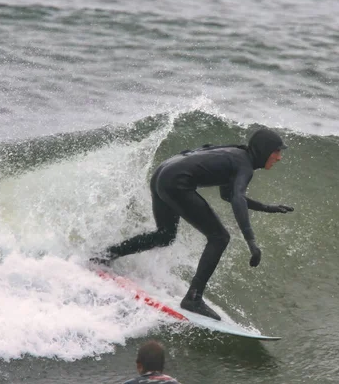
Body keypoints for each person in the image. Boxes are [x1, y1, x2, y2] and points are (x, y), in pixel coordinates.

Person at [91, 127, 294, 320]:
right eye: (276, 152)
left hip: (162, 175)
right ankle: (193, 298)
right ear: (265, 151)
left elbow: (230, 195)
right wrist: (251, 241)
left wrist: (267, 208)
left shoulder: (236, 154)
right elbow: (238, 199)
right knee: (219, 237)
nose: (279, 157)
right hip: (176, 183)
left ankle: (105, 255)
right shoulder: (245, 165)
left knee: (165, 235)